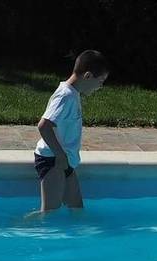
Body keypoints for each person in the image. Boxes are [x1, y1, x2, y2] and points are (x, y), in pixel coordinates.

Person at [32, 50, 109, 212]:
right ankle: (18, 228)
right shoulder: (65, 96)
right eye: (100, 81)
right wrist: (60, 155)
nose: (100, 86)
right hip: (53, 159)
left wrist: (63, 157)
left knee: (77, 209)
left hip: (64, 159)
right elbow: (44, 125)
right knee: (49, 213)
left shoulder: (73, 94)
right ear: (87, 76)